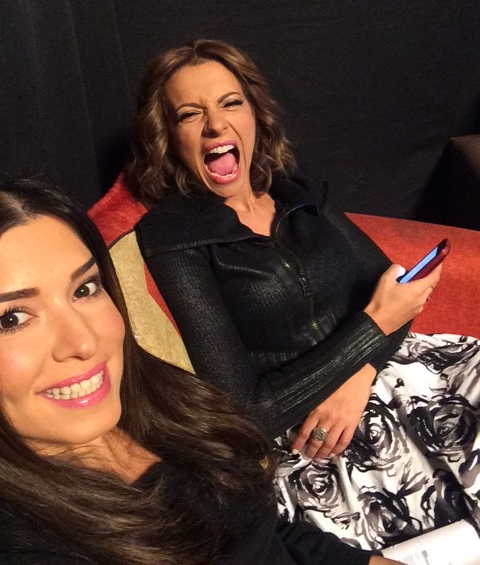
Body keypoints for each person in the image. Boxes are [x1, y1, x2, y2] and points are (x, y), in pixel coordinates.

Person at [126, 39, 480, 551]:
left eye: (230, 103)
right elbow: (246, 412)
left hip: (392, 374)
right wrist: (372, 328)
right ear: (167, 136)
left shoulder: (294, 189)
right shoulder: (175, 236)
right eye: (189, 113)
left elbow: (397, 295)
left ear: (254, 113)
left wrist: (358, 374)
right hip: (313, 434)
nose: (216, 125)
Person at [0, 178, 405, 565]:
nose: (84, 343)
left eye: (85, 289)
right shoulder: (29, 544)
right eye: (11, 318)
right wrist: (369, 332)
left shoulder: (158, 399)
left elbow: (264, 536)